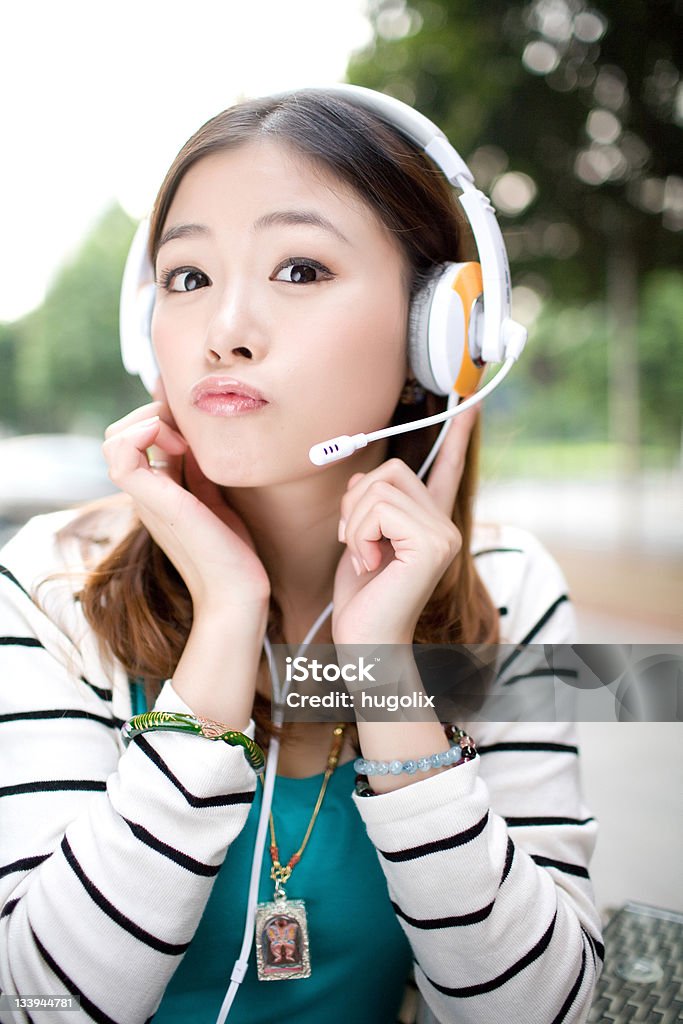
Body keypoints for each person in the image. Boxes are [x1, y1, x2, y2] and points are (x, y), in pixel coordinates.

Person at [0, 88, 603, 1024]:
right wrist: (225, 621)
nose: (224, 331)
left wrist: (386, 677)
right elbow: (39, 1006)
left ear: (440, 332)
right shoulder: (51, 586)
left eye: (299, 268)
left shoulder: (510, 590)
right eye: (187, 278)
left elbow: (535, 1012)